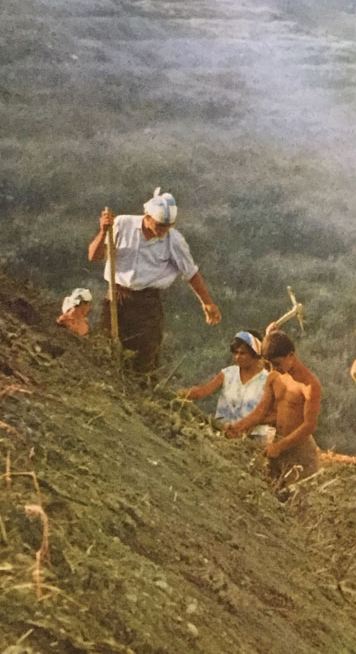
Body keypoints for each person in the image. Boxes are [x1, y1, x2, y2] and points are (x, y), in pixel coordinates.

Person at [87, 188, 221, 373]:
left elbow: (190, 272)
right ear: (147, 216)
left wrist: (207, 303)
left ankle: (141, 395)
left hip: (147, 303)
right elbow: (94, 256)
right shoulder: (122, 224)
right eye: (160, 225)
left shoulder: (174, 240)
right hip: (117, 297)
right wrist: (103, 232)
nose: (164, 231)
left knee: (145, 356)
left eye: (168, 226)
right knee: (107, 347)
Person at [225, 331, 321, 488]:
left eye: (277, 363)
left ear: (290, 356)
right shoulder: (274, 377)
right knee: (273, 494)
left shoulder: (310, 385)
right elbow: (261, 411)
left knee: (299, 498)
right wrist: (238, 427)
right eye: (270, 364)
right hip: (277, 444)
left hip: (300, 451)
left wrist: (280, 446)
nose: (273, 368)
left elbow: (309, 425)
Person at [179, 331, 273, 444]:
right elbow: (203, 391)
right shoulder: (228, 373)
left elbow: (274, 414)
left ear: (255, 353)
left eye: (243, 353)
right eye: (236, 353)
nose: (237, 357)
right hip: (223, 434)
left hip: (254, 439)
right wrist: (183, 394)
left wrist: (248, 424)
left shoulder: (268, 379)